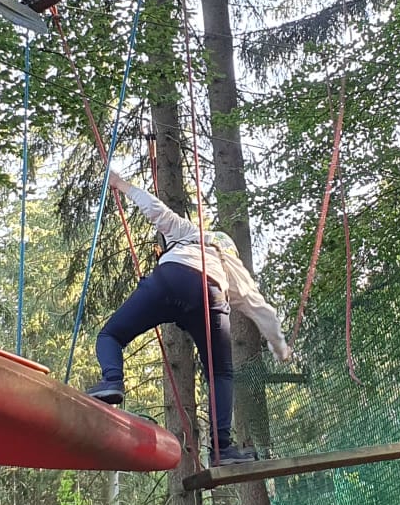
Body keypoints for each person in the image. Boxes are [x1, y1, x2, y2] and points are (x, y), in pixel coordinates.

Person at [86, 171, 294, 464]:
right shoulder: (233, 266)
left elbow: (156, 210)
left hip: (170, 278)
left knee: (111, 335)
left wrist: (121, 185)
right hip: (210, 295)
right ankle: (221, 449)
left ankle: (112, 380)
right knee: (220, 373)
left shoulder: (190, 234)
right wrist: (280, 348)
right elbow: (261, 310)